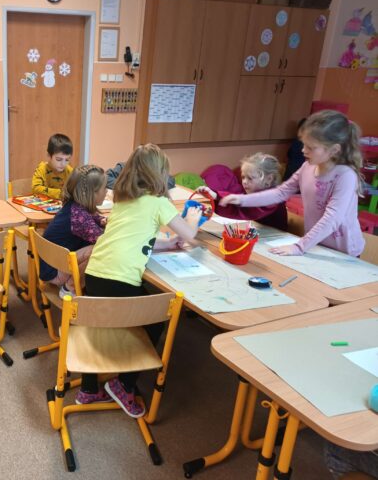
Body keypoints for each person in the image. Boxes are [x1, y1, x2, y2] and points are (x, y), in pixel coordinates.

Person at [79, 143, 202, 418]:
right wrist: (193, 218)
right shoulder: (159, 203)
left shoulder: (123, 200)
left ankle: (88, 389)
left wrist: (166, 244)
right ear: (160, 174)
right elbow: (191, 235)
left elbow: (133, 238)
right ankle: (123, 384)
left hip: (96, 274)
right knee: (157, 317)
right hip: (119, 280)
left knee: (97, 322)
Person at [221, 110, 365, 257]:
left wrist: (299, 247)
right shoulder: (307, 167)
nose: (303, 150)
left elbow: (332, 219)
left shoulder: (346, 176)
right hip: (316, 245)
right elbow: (281, 192)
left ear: (334, 150)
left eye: (311, 147)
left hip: (344, 252)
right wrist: (242, 200)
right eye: (304, 145)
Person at [39, 165, 107, 298]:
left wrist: (102, 220)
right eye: (104, 188)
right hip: (54, 271)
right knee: (101, 249)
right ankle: (69, 288)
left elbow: (92, 218)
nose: (107, 191)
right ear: (92, 193)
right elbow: (104, 240)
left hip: (51, 263)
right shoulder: (79, 218)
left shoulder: (75, 206)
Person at [197, 153, 288, 230]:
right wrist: (215, 196)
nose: (244, 182)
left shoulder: (272, 199)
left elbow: (246, 209)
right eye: (243, 177)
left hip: (275, 238)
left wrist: (218, 196)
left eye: (250, 178)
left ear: (269, 179)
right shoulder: (253, 192)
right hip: (258, 232)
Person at [31, 133, 74, 200]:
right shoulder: (42, 169)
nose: (63, 164)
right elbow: (35, 189)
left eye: (67, 160)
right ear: (49, 156)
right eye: (58, 159)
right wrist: (60, 193)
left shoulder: (69, 171)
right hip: (43, 204)